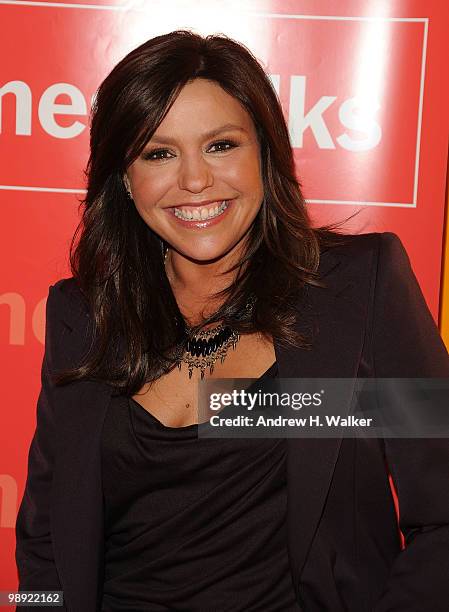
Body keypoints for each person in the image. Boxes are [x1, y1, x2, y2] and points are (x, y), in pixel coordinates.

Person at [15, 29, 449, 612]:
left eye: (221, 145)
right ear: (125, 178)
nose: (195, 180)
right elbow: (45, 543)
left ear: (265, 154)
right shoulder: (84, 316)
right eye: (158, 153)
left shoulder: (356, 289)